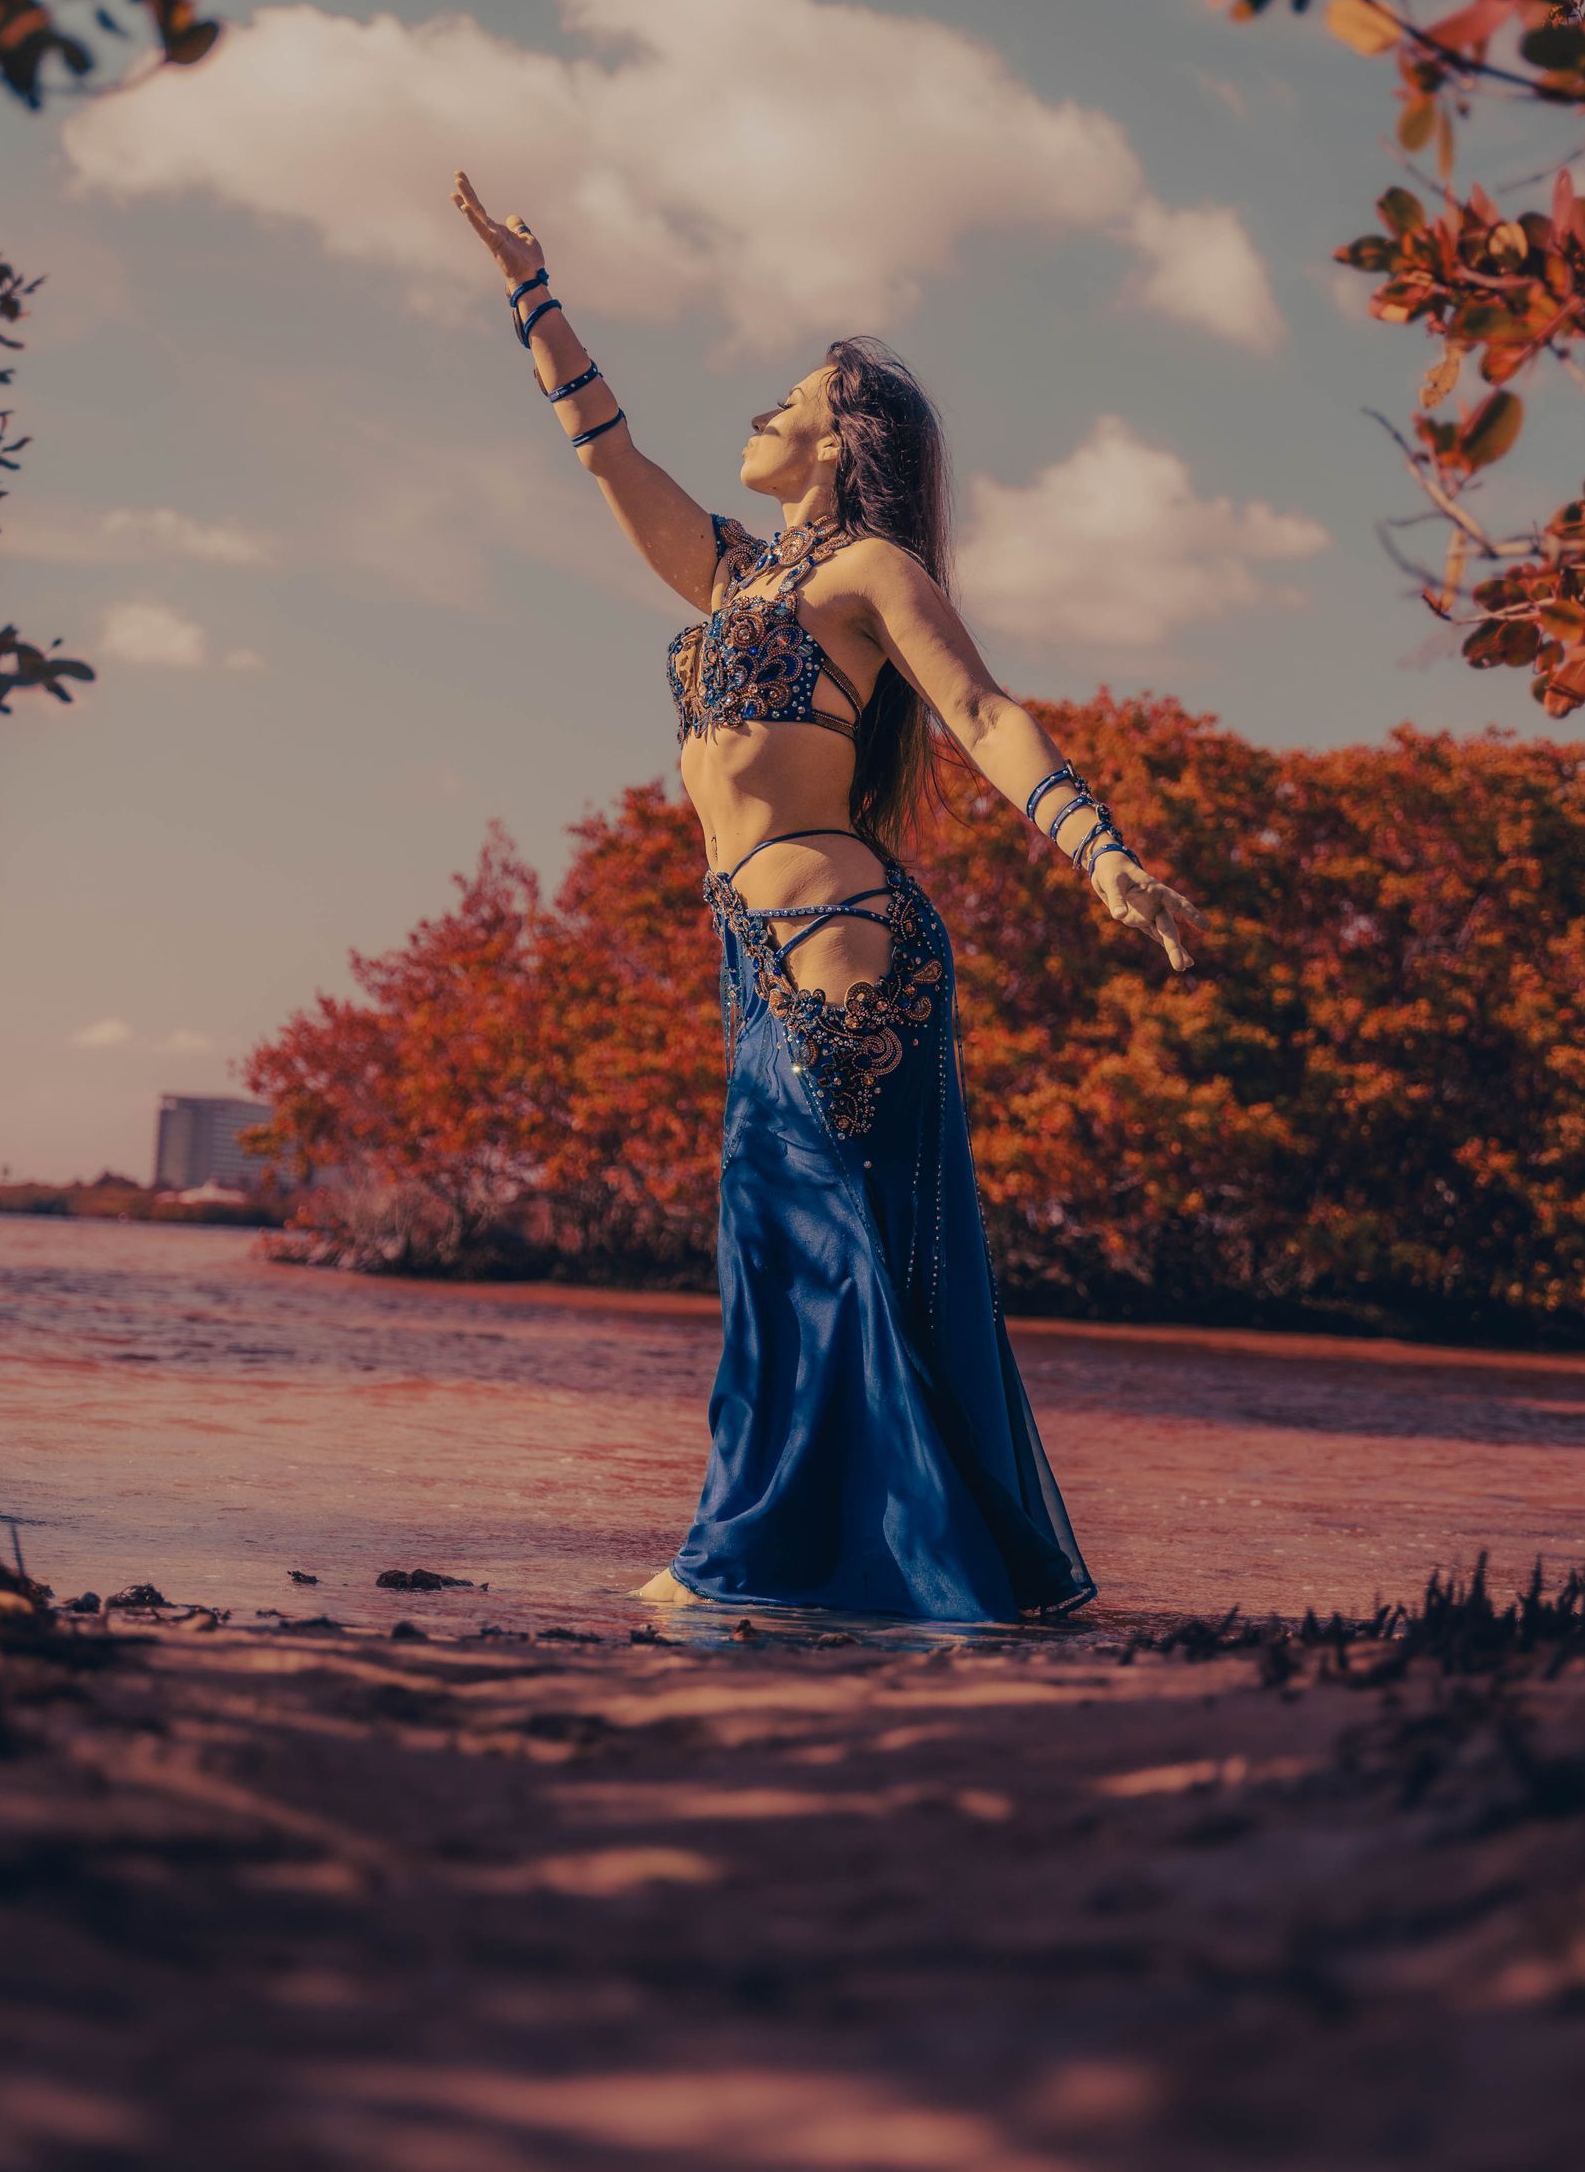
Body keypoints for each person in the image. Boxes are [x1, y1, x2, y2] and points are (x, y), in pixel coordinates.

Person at [452, 171, 1205, 1626]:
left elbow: (980, 710)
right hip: (759, 945)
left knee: (804, 1232)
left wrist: (1099, 851)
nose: (755, 415)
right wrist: (533, 294)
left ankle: (759, 1560)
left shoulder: (868, 568)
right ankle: (855, 1562)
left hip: (836, 939)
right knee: (778, 1241)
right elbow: (611, 461)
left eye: (782, 398)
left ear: (832, 440)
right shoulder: (732, 578)